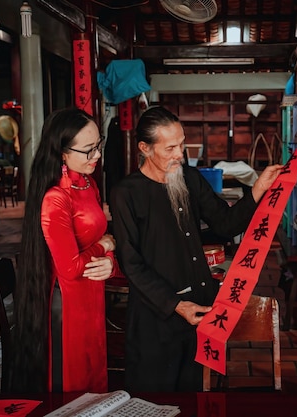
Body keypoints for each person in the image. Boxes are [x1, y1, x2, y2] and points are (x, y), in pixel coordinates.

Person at [109, 106, 282, 392]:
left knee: (194, 393)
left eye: (182, 144)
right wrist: (176, 305)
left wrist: (258, 188)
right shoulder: (126, 193)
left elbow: (226, 224)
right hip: (157, 314)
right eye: (171, 148)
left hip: (200, 308)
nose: (180, 154)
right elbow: (132, 264)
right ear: (145, 148)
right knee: (154, 396)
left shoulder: (189, 178)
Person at [9, 107, 119, 393]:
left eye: (99, 145)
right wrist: (104, 246)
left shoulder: (87, 183)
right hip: (68, 302)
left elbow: (103, 238)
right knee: (73, 383)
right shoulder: (56, 198)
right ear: (62, 153)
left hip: (92, 293)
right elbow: (69, 269)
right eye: (88, 150)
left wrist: (110, 258)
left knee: (95, 375)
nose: (97, 155)